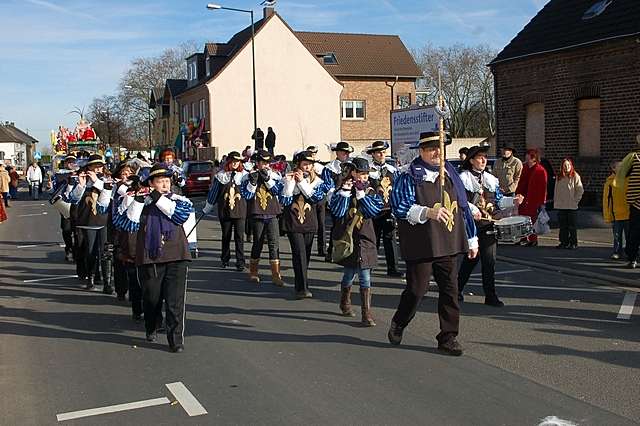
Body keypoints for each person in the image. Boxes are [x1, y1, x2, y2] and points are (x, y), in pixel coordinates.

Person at [387, 131, 478, 356]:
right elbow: (399, 207)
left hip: (447, 241)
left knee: (450, 290)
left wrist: (471, 237)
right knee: (417, 290)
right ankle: (399, 321)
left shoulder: (451, 174)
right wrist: (427, 212)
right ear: (421, 151)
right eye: (431, 149)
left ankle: (448, 337)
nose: (437, 152)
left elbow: (462, 207)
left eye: (439, 148)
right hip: (422, 242)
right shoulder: (409, 175)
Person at [116, 163, 193, 353]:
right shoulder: (141, 202)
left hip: (176, 255)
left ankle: (175, 340)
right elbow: (127, 224)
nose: (165, 185)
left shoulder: (178, 200)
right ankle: (151, 326)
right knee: (151, 299)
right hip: (150, 258)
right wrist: (139, 200)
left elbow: (178, 215)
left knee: (175, 301)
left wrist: (157, 196)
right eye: (160, 181)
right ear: (151, 183)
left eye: (167, 181)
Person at [329, 157, 383, 325]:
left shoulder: (371, 191)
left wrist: (361, 195)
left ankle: (366, 314)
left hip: (366, 239)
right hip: (349, 238)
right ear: (353, 173)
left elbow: (374, 210)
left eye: (366, 175)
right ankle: (345, 301)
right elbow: (337, 212)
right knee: (349, 275)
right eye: (360, 174)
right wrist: (345, 193)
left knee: (365, 276)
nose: (364, 178)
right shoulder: (342, 190)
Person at [457, 145, 509, 307]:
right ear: (471, 160)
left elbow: (498, 200)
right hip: (471, 225)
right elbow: (459, 201)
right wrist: (473, 210)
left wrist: (512, 201)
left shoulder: (490, 179)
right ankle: (457, 289)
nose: (483, 160)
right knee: (471, 259)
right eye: (480, 157)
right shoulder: (462, 178)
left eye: (485, 157)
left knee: (489, 261)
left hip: (488, 224)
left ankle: (490, 295)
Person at [280, 151, 332, 299]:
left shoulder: (318, 181)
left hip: (309, 223)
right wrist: (290, 184)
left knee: (306, 256)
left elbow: (317, 198)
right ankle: (303, 288)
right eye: (304, 164)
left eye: (310, 164)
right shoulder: (287, 179)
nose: (308, 167)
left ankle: (300, 283)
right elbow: (284, 201)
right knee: (299, 253)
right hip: (293, 223)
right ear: (298, 165)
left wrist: (302, 182)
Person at [68, 154, 113, 291]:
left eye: (100, 166)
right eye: (94, 167)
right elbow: (73, 199)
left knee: (106, 253)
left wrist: (97, 181)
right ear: (89, 168)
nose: (98, 169)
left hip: (104, 221)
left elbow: (108, 196)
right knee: (90, 251)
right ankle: (91, 278)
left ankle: (107, 283)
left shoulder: (106, 180)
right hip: (87, 221)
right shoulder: (82, 181)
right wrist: (81, 185)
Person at [241, 150, 285, 285]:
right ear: (257, 163)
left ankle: (276, 274)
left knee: (274, 244)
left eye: (268, 163)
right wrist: (252, 183)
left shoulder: (275, 176)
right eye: (263, 163)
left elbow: (278, 191)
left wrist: (268, 180)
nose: (266, 166)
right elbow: (247, 196)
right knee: (258, 243)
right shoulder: (248, 177)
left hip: (272, 213)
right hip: (257, 213)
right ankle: (253, 272)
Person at [203, 151, 248, 271]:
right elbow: (214, 193)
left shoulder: (245, 175)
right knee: (226, 236)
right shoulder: (221, 175)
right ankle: (225, 258)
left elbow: (249, 193)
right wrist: (207, 207)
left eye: (237, 161)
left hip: (240, 210)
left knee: (239, 237)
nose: (235, 163)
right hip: (225, 210)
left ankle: (240, 261)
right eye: (233, 161)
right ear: (229, 161)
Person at [366, 141, 402, 277]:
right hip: (373, 210)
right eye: (379, 152)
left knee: (390, 239)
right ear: (373, 154)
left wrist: (396, 210)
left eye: (383, 152)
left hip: (388, 210)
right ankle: (369, 266)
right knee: (372, 239)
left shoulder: (393, 170)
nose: (382, 155)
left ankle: (393, 268)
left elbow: (397, 191)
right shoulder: (368, 171)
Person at [324, 142, 354, 261]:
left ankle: (349, 251)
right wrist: (334, 201)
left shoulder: (352, 166)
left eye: (348, 152)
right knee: (337, 226)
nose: (346, 155)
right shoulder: (329, 168)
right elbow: (328, 188)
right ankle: (332, 251)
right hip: (337, 200)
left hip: (351, 201)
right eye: (344, 152)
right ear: (337, 153)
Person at [514, 149, 548, 247]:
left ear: (534, 158)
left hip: (534, 199)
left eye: (529, 156)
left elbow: (543, 187)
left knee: (532, 219)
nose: (527, 158)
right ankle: (523, 237)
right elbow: (521, 182)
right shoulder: (524, 168)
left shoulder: (540, 170)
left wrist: (542, 201)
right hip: (523, 198)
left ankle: (533, 239)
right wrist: (517, 194)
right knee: (521, 218)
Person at [617, 134, 640, 269]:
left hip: (635, 202)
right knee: (635, 232)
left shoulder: (633, 158)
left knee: (635, 231)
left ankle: (633, 258)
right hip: (636, 202)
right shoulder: (634, 158)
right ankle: (632, 257)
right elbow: (624, 175)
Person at [553, 158, 584, 249]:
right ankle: (564, 242)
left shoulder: (575, 176)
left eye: (568, 165)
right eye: (565, 165)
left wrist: (575, 201)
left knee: (572, 226)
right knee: (563, 226)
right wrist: (556, 202)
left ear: (571, 166)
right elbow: (556, 191)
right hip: (561, 205)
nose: (567, 167)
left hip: (571, 206)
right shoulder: (559, 177)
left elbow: (580, 190)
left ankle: (573, 243)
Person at [603, 161, 630, 260]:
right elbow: (606, 199)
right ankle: (617, 252)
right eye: (619, 167)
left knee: (629, 235)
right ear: (613, 169)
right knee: (617, 236)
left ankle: (629, 252)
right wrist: (607, 215)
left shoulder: (628, 179)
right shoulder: (610, 182)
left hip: (628, 212)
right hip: (616, 213)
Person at [306, 146, 328, 256]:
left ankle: (322, 248)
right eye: (310, 153)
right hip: (309, 198)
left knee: (321, 224)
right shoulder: (306, 166)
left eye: (314, 153)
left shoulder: (320, 167)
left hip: (320, 198)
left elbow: (325, 181)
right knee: (311, 223)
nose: (312, 155)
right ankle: (308, 247)